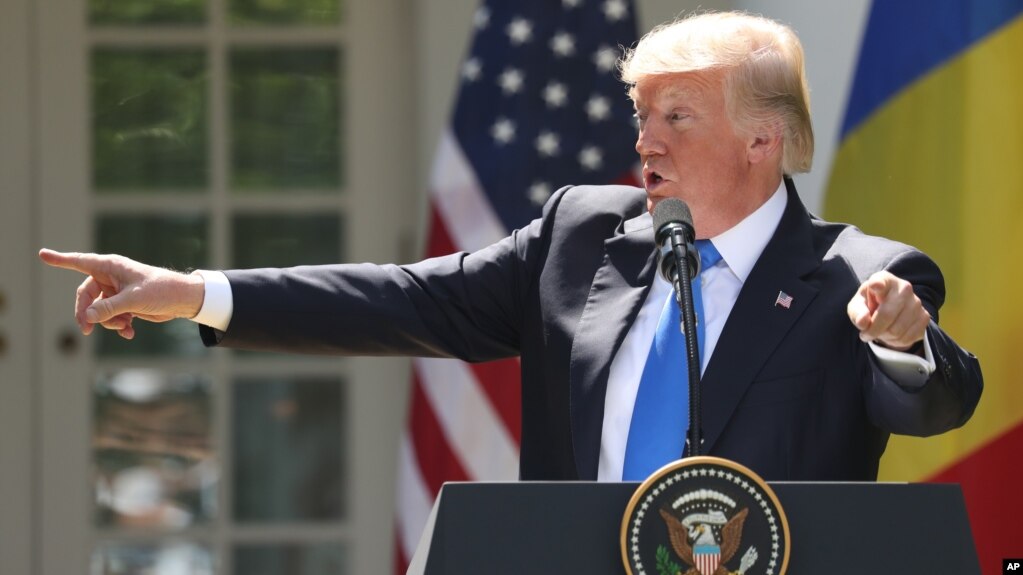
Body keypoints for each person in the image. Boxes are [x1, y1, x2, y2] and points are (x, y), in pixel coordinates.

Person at [40, 11, 981, 483]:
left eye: (676, 117)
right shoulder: (581, 237)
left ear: (760, 142)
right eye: (640, 113)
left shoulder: (859, 275)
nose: (644, 141)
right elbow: (405, 299)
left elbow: (939, 400)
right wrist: (192, 290)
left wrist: (900, 337)